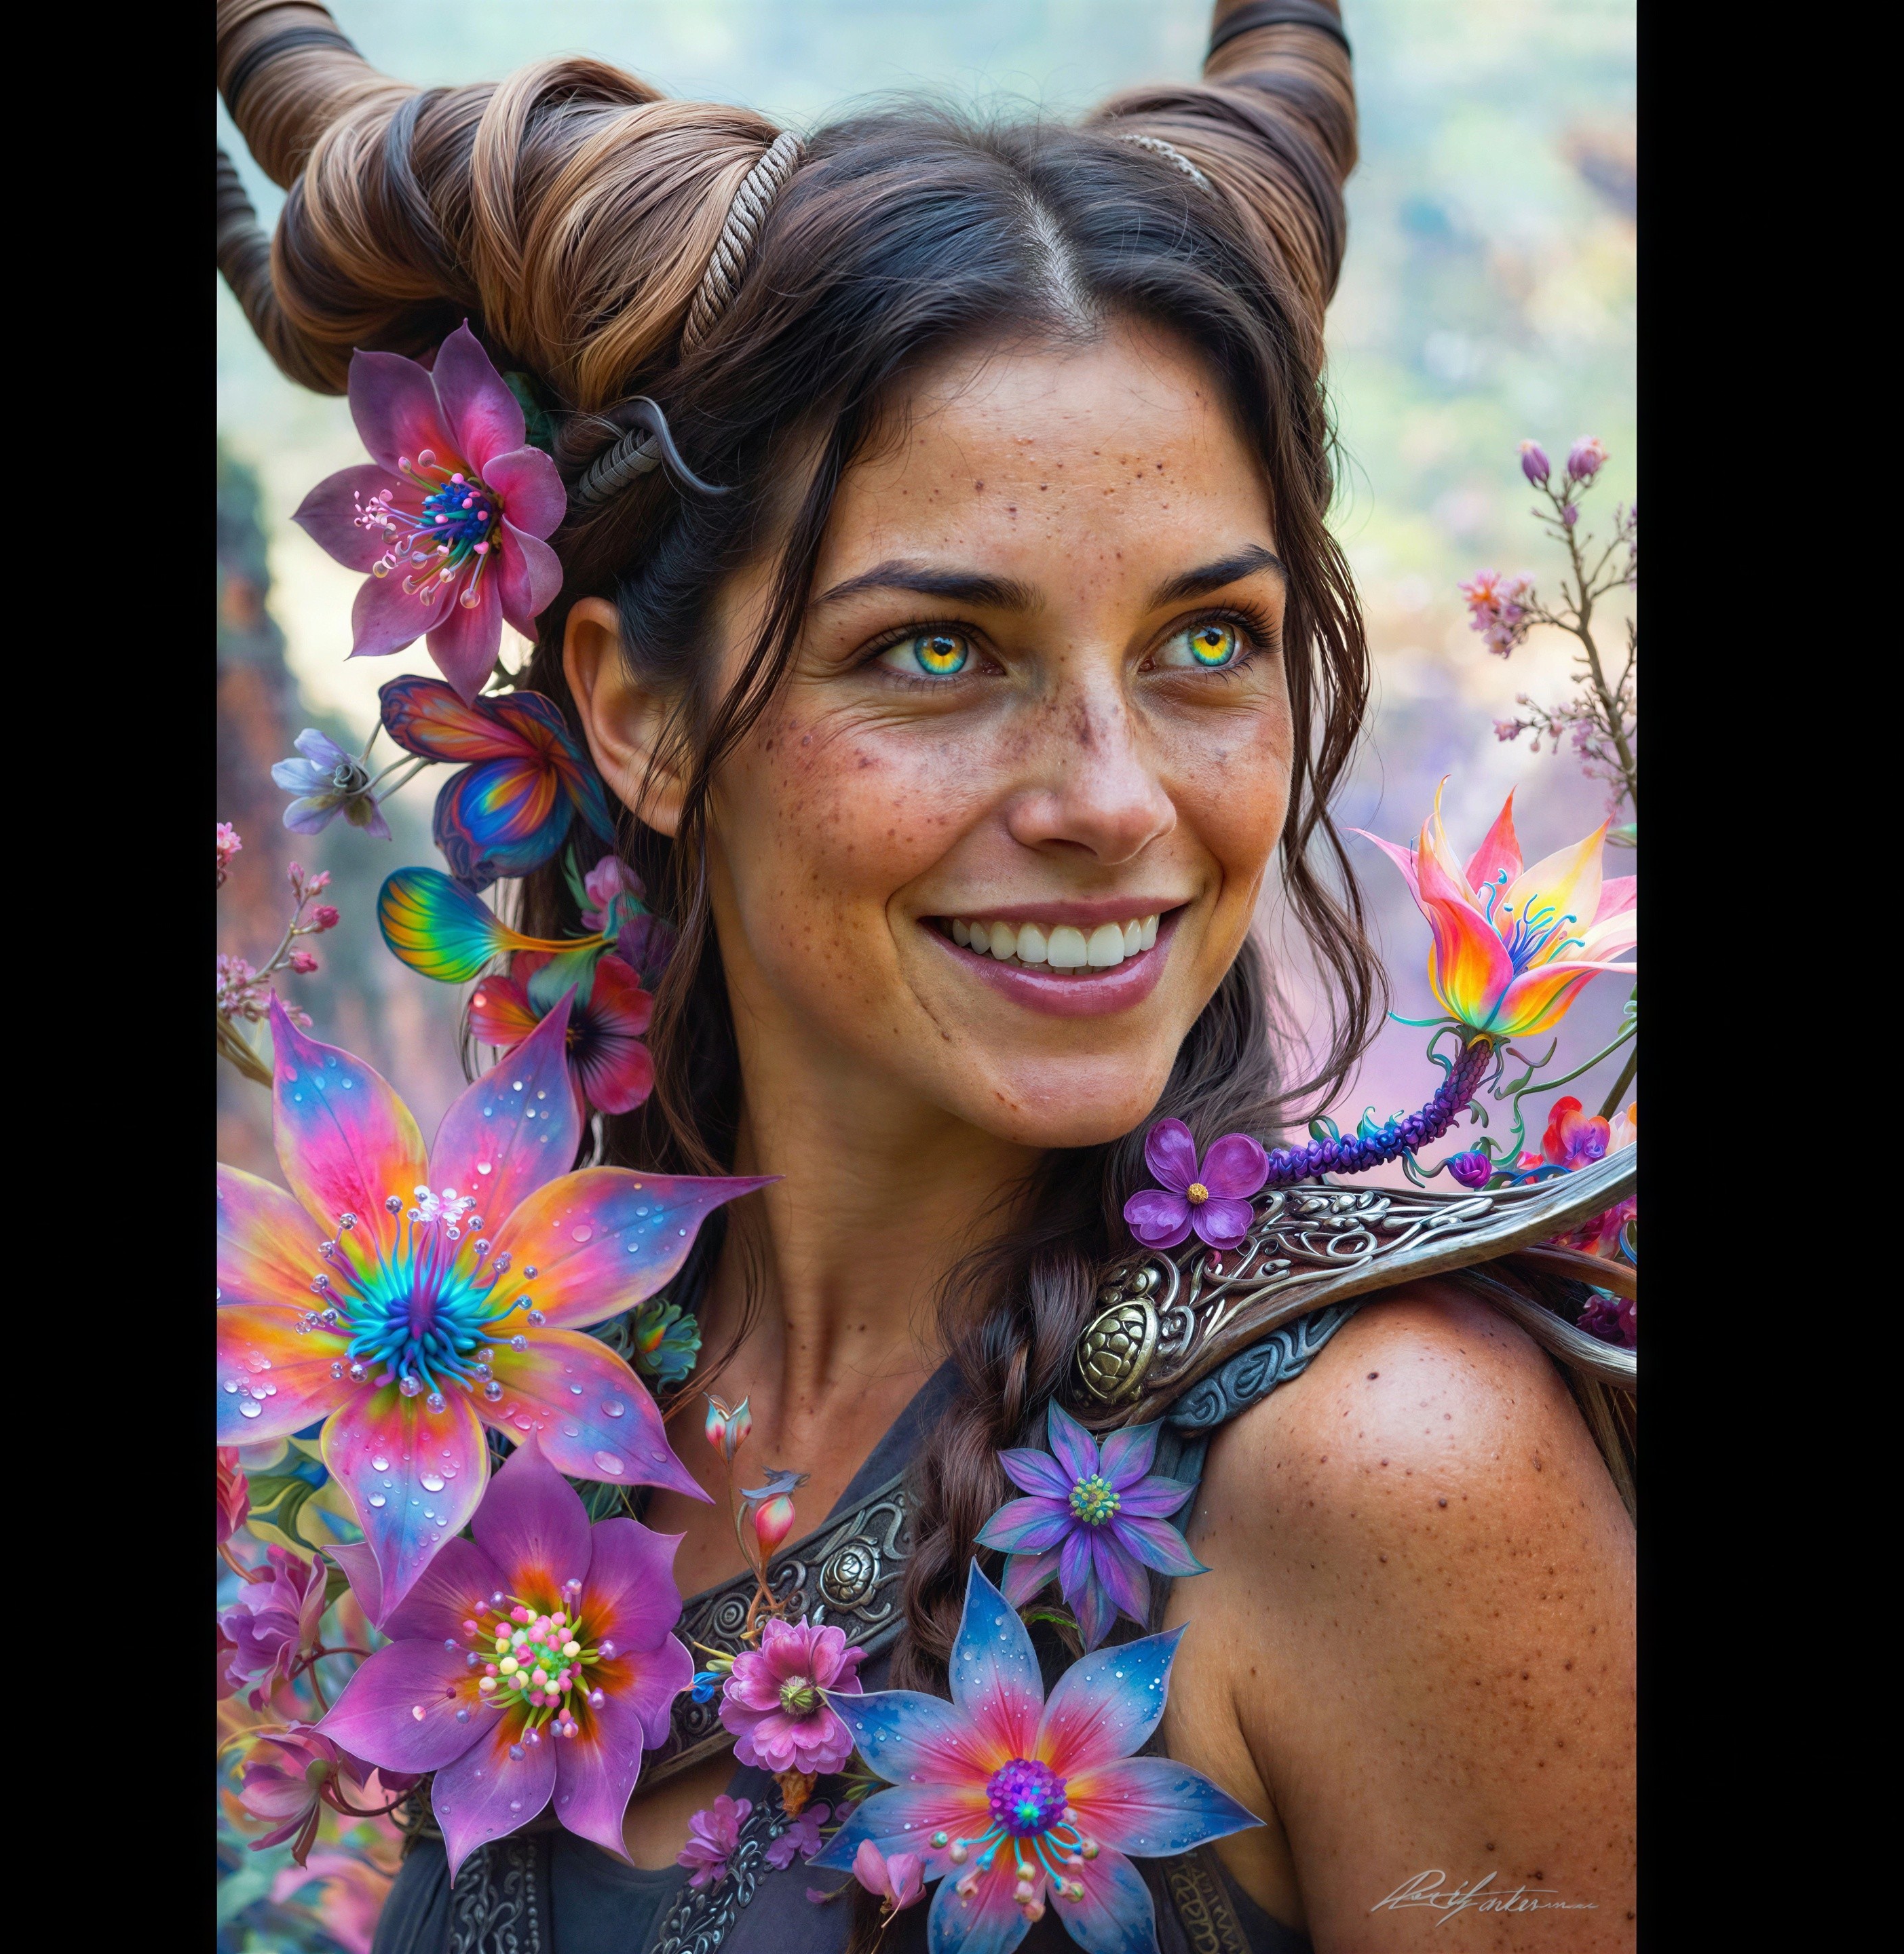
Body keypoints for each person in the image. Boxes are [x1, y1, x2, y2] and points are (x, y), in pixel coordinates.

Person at [216, 3, 1636, 1948]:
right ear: (632, 715)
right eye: (941, 655)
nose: (1116, 801)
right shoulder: (525, 1401)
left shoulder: (1389, 1469)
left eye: (1209, 642)